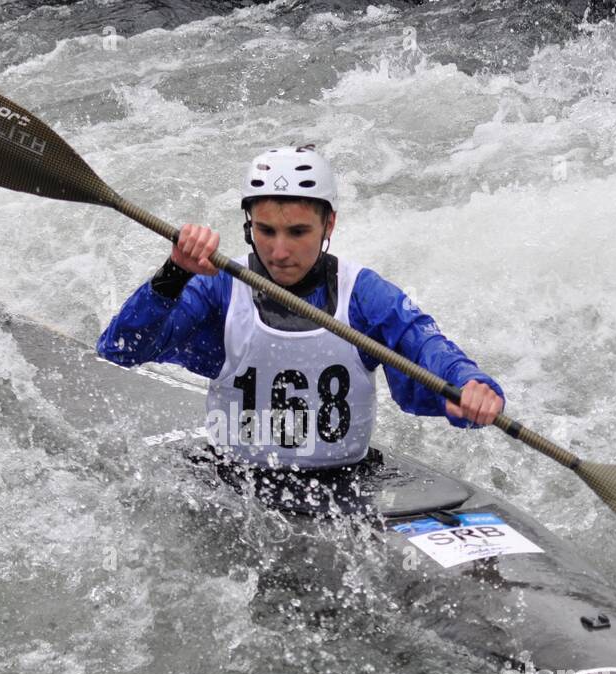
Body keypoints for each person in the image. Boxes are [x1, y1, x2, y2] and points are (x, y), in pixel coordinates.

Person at [97, 144, 504, 470]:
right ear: (248, 225)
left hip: (344, 480)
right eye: (265, 230)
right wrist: (174, 272)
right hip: (236, 479)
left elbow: (425, 348)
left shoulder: (362, 294)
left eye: (298, 232)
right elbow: (118, 351)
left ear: (329, 225)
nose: (279, 251)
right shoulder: (220, 287)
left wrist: (468, 386)